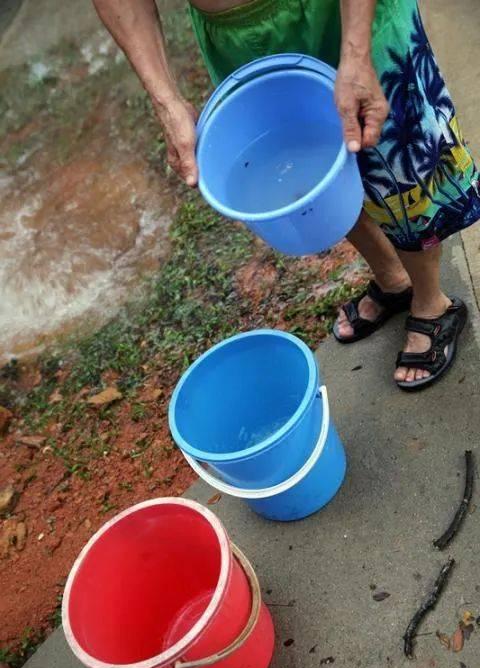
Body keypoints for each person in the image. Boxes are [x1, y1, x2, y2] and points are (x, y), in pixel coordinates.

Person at [93, 0, 479, 391]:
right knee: (310, 172)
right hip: (238, 36)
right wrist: (166, 101)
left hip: (342, 12)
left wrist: (357, 52)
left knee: (399, 164)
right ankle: (392, 278)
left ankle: (431, 302)